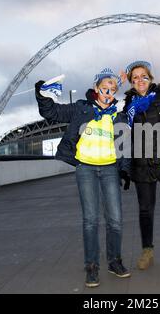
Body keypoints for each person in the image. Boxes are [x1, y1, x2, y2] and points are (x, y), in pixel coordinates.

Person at [35, 68, 131, 288]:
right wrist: (42, 95)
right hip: (85, 168)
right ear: (96, 89)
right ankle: (91, 266)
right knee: (90, 220)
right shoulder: (82, 108)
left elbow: (124, 146)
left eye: (112, 89)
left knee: (115, 220)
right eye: (104, 88)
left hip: (109, 170)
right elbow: (52, 113)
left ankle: (114, 261)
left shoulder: (119, 115)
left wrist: (124, 169)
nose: (108, 92)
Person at [121, 61, 160, 274]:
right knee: (145, 210)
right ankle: (147, 250)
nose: (140, 80)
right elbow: (123, 130)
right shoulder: (128, 104)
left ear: (150, 78)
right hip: (142, 164)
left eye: (143, 76)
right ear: (131, 82)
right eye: (135, 77)